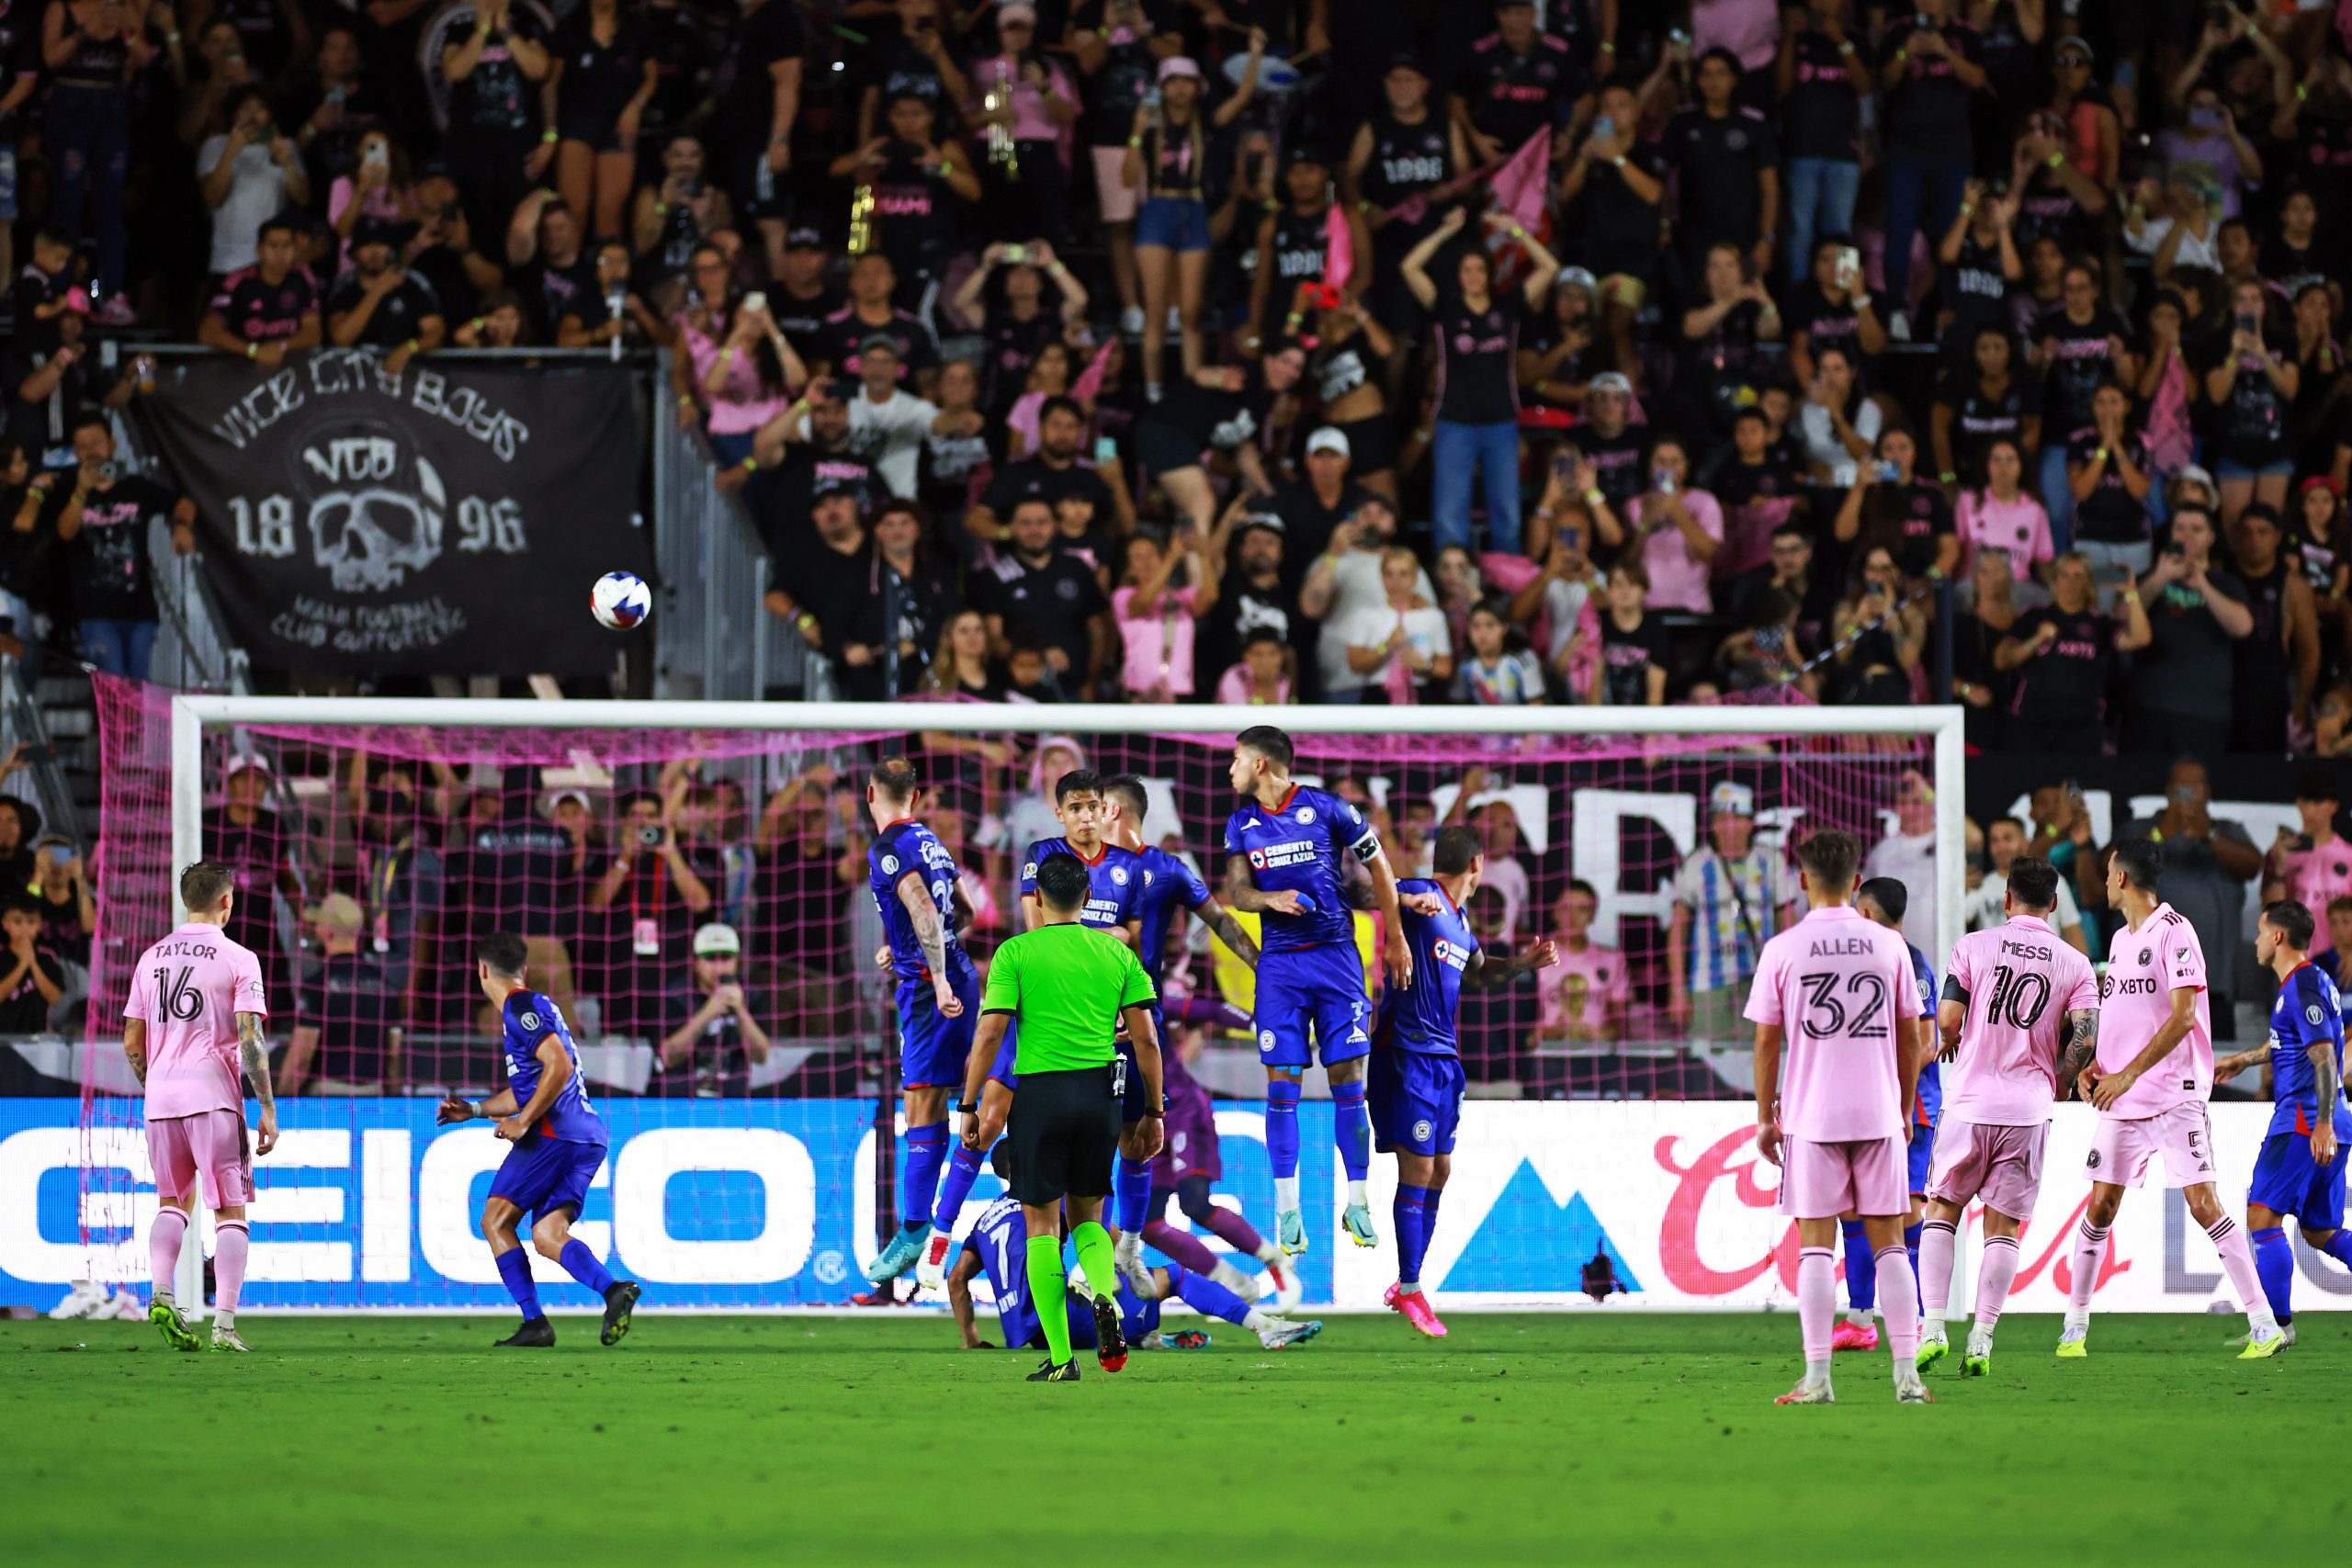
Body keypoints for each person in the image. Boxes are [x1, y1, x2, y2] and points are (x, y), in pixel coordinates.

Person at [2056, 838, 2281, 1360]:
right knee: (2100, 1205)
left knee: (2204, 1204)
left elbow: (2182, 1017)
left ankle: (2264, 1323)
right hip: (2124, 1097)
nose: (2105, 881)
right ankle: (2073, 1329)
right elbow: (2122, 1018)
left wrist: (2128, 1074)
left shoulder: (2175, 933)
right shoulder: (2117, 942)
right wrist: (2096, 1067)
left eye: (2109, 873)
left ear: (2122, 880)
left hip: (2173, 1094)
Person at [956, 852, 1162, 1382]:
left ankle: (1064, 1359)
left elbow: (990, 1031)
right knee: (1090, 1218)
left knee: (1043, 1226)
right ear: (1088, 899)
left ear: (1039, 900)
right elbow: (1146, 1040)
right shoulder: (1116, 954)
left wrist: (970, 1102)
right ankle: (1105, 1302)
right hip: (1100, 1097)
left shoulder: (1015, 953)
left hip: (1040, 1097)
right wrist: (1155, 1112)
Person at [1747, 829, 1929, 1405]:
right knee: (1891, 1246)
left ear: (1802, 880)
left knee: (1816, 1250)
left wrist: (1764, 1118)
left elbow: (1765, 1046)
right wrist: (1903, 1110)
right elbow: (1910, 1040)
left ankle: (1819, 1379)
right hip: (1877, 1114)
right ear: (1856, 881)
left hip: (1812, 1116)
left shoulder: (1783, 949)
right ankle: (1907, 1378)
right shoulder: (1891, 946)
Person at [1095, 773, 1290, 1304]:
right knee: (1113, 1175)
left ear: (1115, 810)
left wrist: (1264, 976)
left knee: (1153, 1177)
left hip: (1138, 1028)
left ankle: (1133, 1262)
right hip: (1085, 1030)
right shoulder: (1074, 868)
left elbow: (1221, 922)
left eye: (1096, 807)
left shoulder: (1166, 870)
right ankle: (1134, 1262)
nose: (1088, 817)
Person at [1223, 725, 1408, 1254]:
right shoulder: (1240, 823)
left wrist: (1395, 937)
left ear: (1261, 764)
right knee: (1282, 1083)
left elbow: (1381, 868)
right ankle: (1287, 1209)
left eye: (1236, 759)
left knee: (1349, 1078)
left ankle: (1356, 1200)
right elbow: (1238, 891)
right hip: (1280, 967)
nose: (1230, 769)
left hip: (1337, 960)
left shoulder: (1331, 810)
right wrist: (1271, 898)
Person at [1915, 856, 2099, 1378]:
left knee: (1942, 1211)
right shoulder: (2074, 963)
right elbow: (2086, 1035)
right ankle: (1982, 1339)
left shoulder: (1972, 946)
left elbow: (1948, 1020)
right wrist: (2060, 1079)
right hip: (2027, 1109)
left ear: (2007, 899)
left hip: (1969, 1102)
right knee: (2004, 1229)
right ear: (2056, 904)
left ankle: (1932, 1329)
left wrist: (1951, 1040)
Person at [1379, 826, 1558, 1337]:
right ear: (1478, 864)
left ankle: (1407, 1285)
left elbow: (1479, 972)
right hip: (1407, 1050)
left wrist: (1524, 963)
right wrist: (1404, 895)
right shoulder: (1423, 895)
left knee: (1440, 1170)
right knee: (1417, 1168)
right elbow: (1363, 890)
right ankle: (1410, 1288)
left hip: (1443, 1059)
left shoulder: (1458, 922)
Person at [435, 931, 639, 1349]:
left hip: (553, 1133)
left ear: (482, 971)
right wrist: (474, 1110)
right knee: (548, 1234)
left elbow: (558, 1065)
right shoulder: (538, 1009)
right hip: (586, 1137)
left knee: (495, 1220)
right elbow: (532, 1083)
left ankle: (535, 1323)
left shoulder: (519, 1006)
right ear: (523, 969)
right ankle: (612, 1290)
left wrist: (525, 1121)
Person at [945, 1144, 1319, 1357]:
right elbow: (1106, 1237)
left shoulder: (985, 1219)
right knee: (1172, 1276)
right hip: (1070, 1321)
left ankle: (1139, 1334)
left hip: (1032, 1335)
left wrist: (972, 1339)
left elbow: (957, 1280)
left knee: (1110, 1287)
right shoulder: (1046, 1200)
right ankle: (1266, 1328)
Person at [122, 862, 276, 1354]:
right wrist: (267, 1108)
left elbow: (131, 1041)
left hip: (161, 1100)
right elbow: (250, 1038)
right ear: (227, 902)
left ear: (186, 898)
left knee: (173, 1203)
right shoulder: (239, 958)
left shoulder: (150, 959)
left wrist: (157, 1085)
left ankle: (162, 1292)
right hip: (213, 1096)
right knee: (229, 1210)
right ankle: (224, 1326)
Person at [860, 758, 981, 1289]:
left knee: (923, 1102)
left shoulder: (887, 848)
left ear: (870, 794)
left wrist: (933, 978)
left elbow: (924, 910)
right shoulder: (931, 840)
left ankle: (915, 1232)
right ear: (917, 795)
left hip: (932, 991)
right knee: (970, 1099)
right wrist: (904, 949)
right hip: (958, 973)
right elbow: (965, 913)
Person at [2214, 900, 2352, 1345]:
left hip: (2304, 1121)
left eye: (2259, 931)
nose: (2254, 940)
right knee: (2320, 1230)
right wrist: (2246, 1059)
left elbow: (2325, 1057)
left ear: (2277, 937)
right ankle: (2275, 1327)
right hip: (2327, 1121)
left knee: (2261, 1216)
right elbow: (2292, 1043)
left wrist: (2322, 1123)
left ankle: (2273, 1328)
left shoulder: (2301, 986)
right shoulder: (2309, 983)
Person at [1400, 204, 1563, 557]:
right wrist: (1444, 232)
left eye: (1479, 269)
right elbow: (1408, 266)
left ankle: (1505, 591)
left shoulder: (1508, 306)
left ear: (1489, 273)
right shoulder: (1446, 307)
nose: (1472, 276)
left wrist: (1516, 233)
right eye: (1465, 270)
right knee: (1448, 516)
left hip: (1500, 422)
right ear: (1458, 275)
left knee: (1507, 516)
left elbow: (1550, 267)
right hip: (1454, 422)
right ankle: (1454, 592)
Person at [1830, 876, 1939, 1353]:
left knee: (1906, 1209)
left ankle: (1914, 1319)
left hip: (1907, 1106)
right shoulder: (1861, 965)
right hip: (1863, 1104)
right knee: (1852, 1205)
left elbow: (1928, 1042)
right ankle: (1859, 1317)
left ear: (1870, 916)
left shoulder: (1912, 963)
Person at [32, 415, 197, 682]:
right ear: (75, 452)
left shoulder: (134, 487)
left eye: (96, 443)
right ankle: (116, 726)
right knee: (114, 682)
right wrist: (81, 491)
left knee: (138, 685)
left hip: (140, 610)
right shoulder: (66, 490)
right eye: (82, 446)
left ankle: (127, 726)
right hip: (94, 612)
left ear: (112, 444)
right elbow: (65, 532)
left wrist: (181, 527)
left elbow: (183, 503)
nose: (91, 451)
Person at [1668, 781, 1797, 1051]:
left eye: (1737, 818)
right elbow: (1678, 930)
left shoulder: (1771, 861)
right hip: (1707, 984)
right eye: (1721, 818)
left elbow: (1788, 925)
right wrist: (1677, 989)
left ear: (1750, 822)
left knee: (1764, 1060)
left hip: (1763, 983)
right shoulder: (1696, 863)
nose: (1728, 826)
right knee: (1705, 1068)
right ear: (1712, 823)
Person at [1995, 553, 2151, 752]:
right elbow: (2001, 660)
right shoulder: (2033, 617)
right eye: (2064, 575)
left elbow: (2140, 638)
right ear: (2054, 580)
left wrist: (2131, 594)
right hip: (2032, 723)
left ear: (2088, 583)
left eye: (2078, 576)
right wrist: (2036, 641)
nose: (2071, 583)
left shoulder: (2099, 623)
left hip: (2082, 727)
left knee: (2078, 783)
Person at [279, 894, 398, 1096]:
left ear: (327, 932)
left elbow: (301, 1059)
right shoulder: (384, 985)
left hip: (327, 1099)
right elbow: (393, 1057)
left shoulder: (316, 986)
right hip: (373, 1095)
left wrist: (278, 1103)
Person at [658, 921, 771, 1099]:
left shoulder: (752, 996)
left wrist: (740, 1011)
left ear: (737, 961)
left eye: (726, 958)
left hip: (734, 1101)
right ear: (696, 963)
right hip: (680, 1100)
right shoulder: (676, 995)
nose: (719, 967)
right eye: (710, 958)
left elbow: (760, 1056)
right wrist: (709, 1011)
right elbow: (669, 1057)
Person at [198, 216, 323, 361]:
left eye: (286, 246)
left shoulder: (303, 280)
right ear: (259, 249)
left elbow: (313, 332)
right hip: (238, 368)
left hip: (288, 367)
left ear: (294, 250)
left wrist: (281, 347)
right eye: (273, 245)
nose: (280, 253)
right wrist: (253, 351)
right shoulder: (237, 282)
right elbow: (208, 332)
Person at [2263, 770, 2352, 917]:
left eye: (2318, 802)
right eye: (2305, 801)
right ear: (2297, 803)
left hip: (2338, 939)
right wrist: (2279, 868)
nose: (2310, 810)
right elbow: (2271, 914)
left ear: (2334, 806)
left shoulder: (2349, 855)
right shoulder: (2279, 853)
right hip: (2297, 939)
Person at [0, 897, 63, 1033]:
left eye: (31, 922)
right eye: (17, 921)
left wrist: (33, 963)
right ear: (5, 924)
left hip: (38, 1039)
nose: (24, 928)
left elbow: (54, 998)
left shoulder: (47, 957)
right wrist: (22, 965)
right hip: (3, 1039)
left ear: (40, 925)